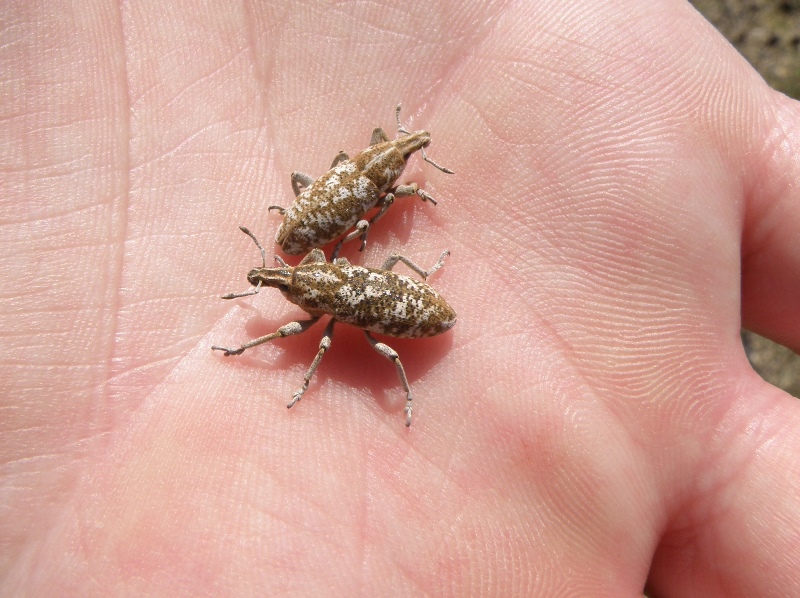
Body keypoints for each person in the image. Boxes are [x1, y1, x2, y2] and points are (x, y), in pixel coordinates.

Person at [2, 0, 798, 594]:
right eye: (283, 278)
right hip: (378, 296)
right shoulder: (328, 273)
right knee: (345, 321)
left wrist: (269, 340)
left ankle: (395, 366)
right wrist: (267, 307)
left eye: (284, 277)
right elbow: (310, 274)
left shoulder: (333, 291)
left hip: (393, 304)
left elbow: (315, 313)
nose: (279, 280)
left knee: (342, 333)